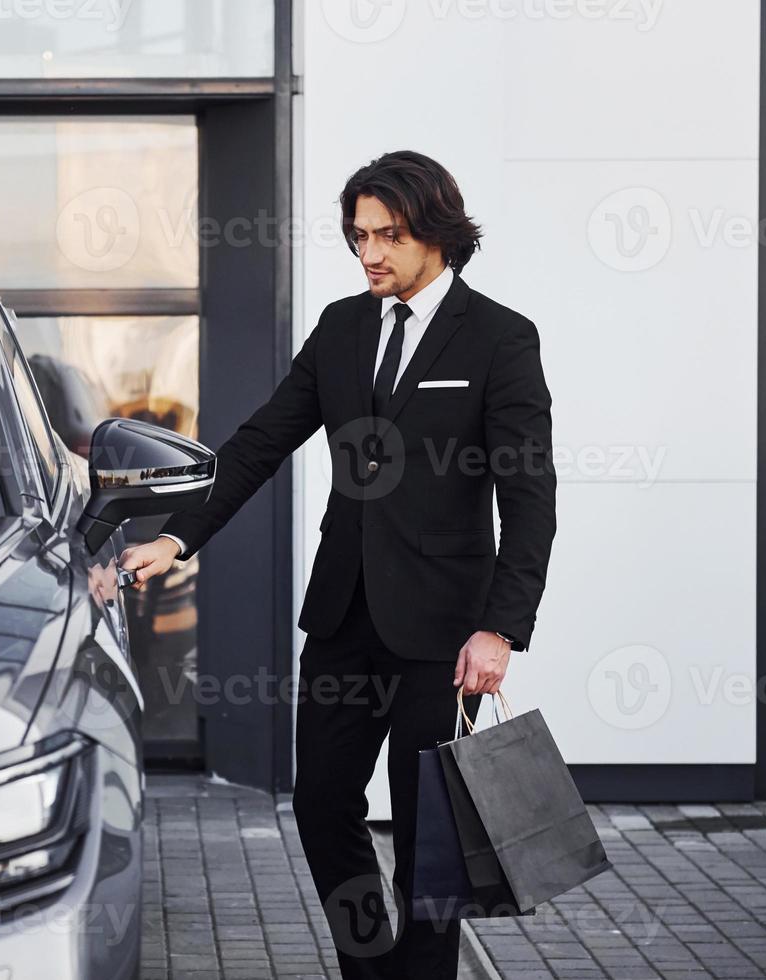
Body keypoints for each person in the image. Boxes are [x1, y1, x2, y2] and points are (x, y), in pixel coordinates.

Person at [119, 149, 556, 979]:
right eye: (358, 237)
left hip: (443, 632)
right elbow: (258, 444)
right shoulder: (343, 328)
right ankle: (371, 968)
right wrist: (179, 536)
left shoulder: (499, 337)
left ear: (436, 234)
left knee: (430, 835)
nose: (369, 255)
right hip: (344, 620)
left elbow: (529, 496)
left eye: (386, 236)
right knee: (322, 806)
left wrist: (501, 627)